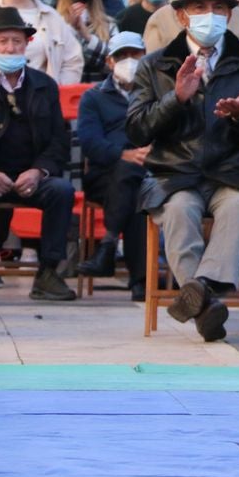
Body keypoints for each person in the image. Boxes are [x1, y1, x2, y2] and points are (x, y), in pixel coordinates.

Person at [126, 0, 239, 341]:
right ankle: (205, 305)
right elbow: (136, 129)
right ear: (182, 16)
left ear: (229, 15)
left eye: (218, 7)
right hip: (174, 173)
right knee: (180, 210)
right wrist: (175, 99)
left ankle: (199, 294)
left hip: (233, 173)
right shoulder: (155, 64)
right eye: (199, 8)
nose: (209, 15)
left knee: (238, 208)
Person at [0, 7, 76, 300]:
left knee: (61, 190)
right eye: (3, 41)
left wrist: (39, 171)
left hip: (29, 177)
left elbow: (58, 141)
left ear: (27, 43)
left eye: (17, 41)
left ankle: (48, 273)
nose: (10, 47)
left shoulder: (44, 85)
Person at [75, 32, 151, 300]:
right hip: (103, 176)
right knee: (133, 181)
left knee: (137, 188)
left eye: (135, 55)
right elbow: (89, 142)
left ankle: (107, 246)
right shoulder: (94, 97)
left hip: (147, 172)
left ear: (145, 57)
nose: (128, 61)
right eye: (121, 56)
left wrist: (150, 152)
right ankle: (140, 280)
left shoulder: (155, 95)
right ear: (109, 61)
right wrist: (123, 155)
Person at [57, 0, 117, 83]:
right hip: (65, 92)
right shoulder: (54, 22)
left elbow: (114, 64)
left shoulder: (109, 25)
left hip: (98, 93)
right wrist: (71, 29)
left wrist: (86, 35)